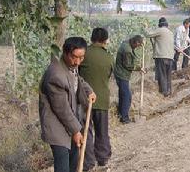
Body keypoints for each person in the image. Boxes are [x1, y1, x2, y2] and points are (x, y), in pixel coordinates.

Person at [39, 37, 96, 172]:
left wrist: (89, 91)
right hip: (57, 128)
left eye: (81, 58)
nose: (77, 62)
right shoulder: (55, 75)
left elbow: (78, 80)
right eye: (74, 57)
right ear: (65, 53)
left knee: (73, 164)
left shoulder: (71, 66)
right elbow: (61, 109)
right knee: (63, 167)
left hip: (70, 123)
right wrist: (76, 131)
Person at [79, 28, 113, 171]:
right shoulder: (109, 57)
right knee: (102, 130)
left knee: (86, 131)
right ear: (105, 40)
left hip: (84, 99)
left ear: (92, 38)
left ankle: (88, 162)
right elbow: (109, 75)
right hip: (102, 99)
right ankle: (103, 158)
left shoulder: (84, 53)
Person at [114, 35, 145, 124]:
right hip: (122, 75)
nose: (137, 47)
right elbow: (128, 65)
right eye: (138, 45)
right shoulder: (127, 50)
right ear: (136, 42)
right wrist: (139, 68)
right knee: (127, 96)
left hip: (121, 74)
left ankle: (121, 114)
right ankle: (124, 118)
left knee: (123, 95)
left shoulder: (127, 43)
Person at [145, 17, 174, 97]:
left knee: (162, 74)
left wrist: (146, 27)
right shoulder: (170, 32)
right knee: (168, 75)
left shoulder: (160, 30)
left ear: (160, 25)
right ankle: (169, 90)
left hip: (161, 56)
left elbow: (148, 34)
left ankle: (164, 92)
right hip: (170, 57)